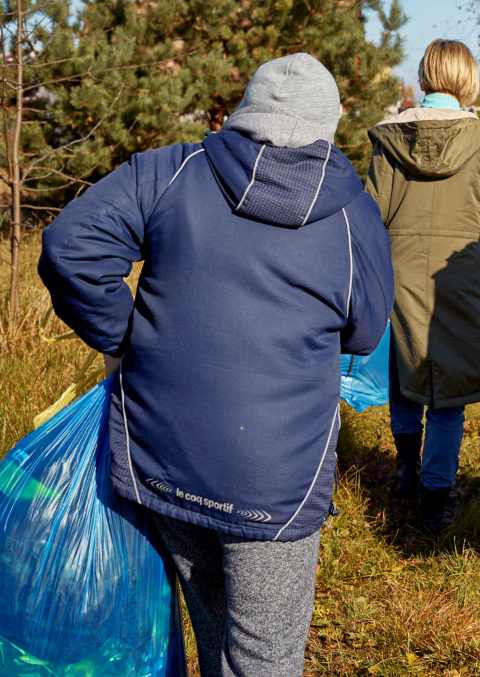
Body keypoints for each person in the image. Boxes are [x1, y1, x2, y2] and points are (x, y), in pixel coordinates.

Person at [39, 53, 395, 675]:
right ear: (327, 124)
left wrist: (122, 339)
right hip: (275, 480)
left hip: (161, 452)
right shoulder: (352, 214)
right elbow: (364, 332)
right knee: (264, 654)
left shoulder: (172, 171)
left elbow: (71, 246)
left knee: (211, 623)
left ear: (247, 108)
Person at [367, 39, 480, 530]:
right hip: (462, 277)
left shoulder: (388, 141)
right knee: (449, 393)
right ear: (468, 80)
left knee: (406, 374)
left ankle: (406, 467)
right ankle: (436, 494)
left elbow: (370, 215)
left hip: (398, 273)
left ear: (425, 74)